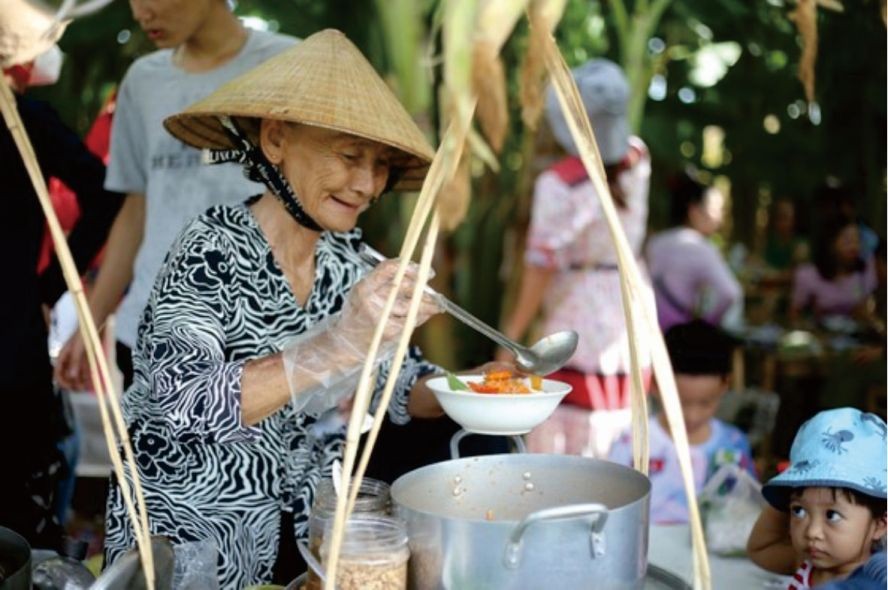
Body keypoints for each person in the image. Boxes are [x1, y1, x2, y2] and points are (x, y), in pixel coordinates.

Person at [102, 30, 459, 588]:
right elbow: (178, 403)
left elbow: (397, 383)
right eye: (349, 157)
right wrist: (338, 344)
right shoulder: (210, 248)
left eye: (381, 165)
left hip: (289, 538)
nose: (367, 184)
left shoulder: (348, 264)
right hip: (186, 543)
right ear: (275, 140)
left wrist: (483, 390)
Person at [55, 0, 294, 392]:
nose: (139, 13)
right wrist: (90, 322)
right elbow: (135, 211)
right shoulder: (142, 81)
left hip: (262, 335)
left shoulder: (289, 63)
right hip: (150, 333)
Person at [0, 1, 124, 550]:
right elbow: (105, 194)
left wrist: (48, 286)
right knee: (18, 531)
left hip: (14, 357)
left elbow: (105, 195)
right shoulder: (27, 120)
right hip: (14, 349)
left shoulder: (26, 121)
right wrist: (44, 286)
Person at [497, 58, 654, 458]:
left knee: (569, 427)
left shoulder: (559, 184)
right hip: (629, 304)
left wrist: (511, 338)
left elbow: (539, 268)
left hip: (581, 310)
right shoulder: (638, 157)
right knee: (618, 420)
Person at [608, 320, 756, 524]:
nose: (692, 416)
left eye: (705, 403)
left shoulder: (734, 444)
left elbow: (745, 508)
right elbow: (612, 507)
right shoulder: (633, 442)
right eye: (679, 404)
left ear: (725, 385)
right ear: (655, 384)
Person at [747, 408, 887, 589]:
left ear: (880, 524)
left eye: (832, 515)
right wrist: (788, 495)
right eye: (798, 511)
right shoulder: (806, 565)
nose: (812, 532)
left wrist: (802, 500)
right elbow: (760, 548)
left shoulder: (877, 580)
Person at [646, 171, 743, 332]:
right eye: (715, 210)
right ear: (694, 211)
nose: (719, 219)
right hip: (677, 336)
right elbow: (731, 294)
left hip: (649, 332)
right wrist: (707, 324)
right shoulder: (701, 248)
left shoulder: (656, 243)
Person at [789, 215, 877, 324]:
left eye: (857, 240)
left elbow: (865, 313)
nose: (854, 247)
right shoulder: (808, 275)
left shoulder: (862, 274)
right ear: (831, 243)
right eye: (848, 241)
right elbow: (795, 316)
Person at [764, 199, 808, 274]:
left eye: (788, 217)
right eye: (781, 217)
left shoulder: (800, 244)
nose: (784, 222)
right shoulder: (771, 243)